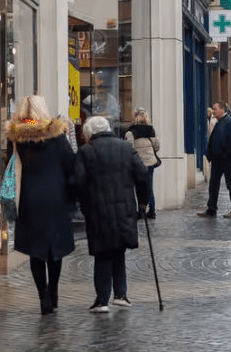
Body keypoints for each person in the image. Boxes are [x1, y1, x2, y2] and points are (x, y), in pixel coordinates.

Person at [6, 96, 75, 315]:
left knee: (36, 251)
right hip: (56, 198)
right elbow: (71, 167)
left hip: (29, 199)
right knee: (55, 249)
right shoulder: (58, 137)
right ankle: (53, 290)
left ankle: (43, 297)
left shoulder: (18, 139)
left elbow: (12, 164)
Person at [75, 115, 149, 313]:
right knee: (118, 248)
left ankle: (102, 299)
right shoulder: (125, 147)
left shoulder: (86, 151)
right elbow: (143, 176)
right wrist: (143, 203)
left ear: (90, 133)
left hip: (98, 208)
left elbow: (78, 183)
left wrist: (83, 206)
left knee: (103, 252)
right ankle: (120, 294)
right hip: (124, 208)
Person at [199, 101, 231, 218]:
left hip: (227, 160)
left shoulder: (230, 122)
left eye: (214, 108)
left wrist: (226, 155)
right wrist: (210, 154)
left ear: (221, 110)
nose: (212, 111)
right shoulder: (219, 122)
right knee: (213, 184)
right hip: (217, 160)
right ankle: (211, 209)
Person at [125, 108, 160, 219]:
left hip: (138, 164)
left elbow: (129, 148)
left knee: (139, 188)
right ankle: (152, 209)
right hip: (150, 163)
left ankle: (141, 210)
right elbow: (157, 146)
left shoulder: (131, 132)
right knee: (149, 187)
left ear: (135, 117)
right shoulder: (151, 130)